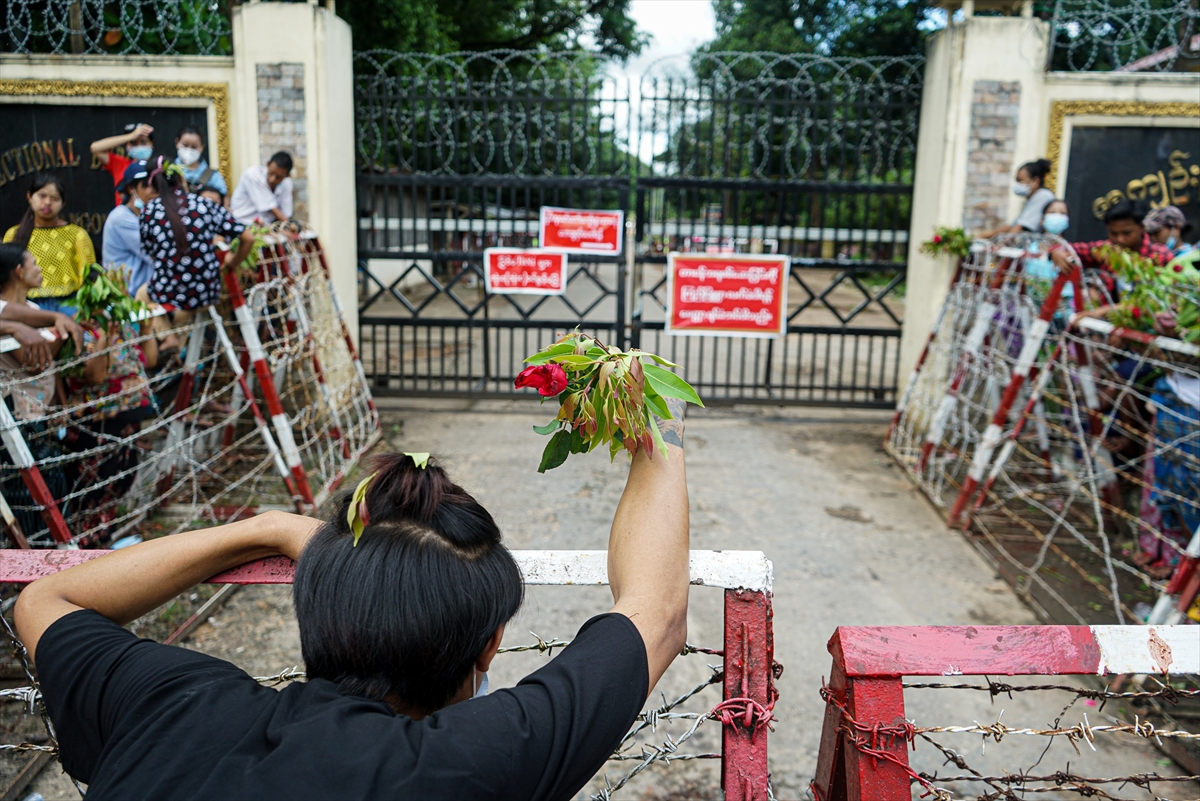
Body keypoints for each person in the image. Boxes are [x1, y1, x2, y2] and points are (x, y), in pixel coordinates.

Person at [14, 398, 692, 799]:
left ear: (314, 606)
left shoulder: (173, 703)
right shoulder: (456, 766)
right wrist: (657, 427)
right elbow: (654, 610)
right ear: (490, 646)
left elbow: (46, 598)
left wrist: (267, 527)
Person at [134, 158, 254, 348]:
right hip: (206, 291)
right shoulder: (204, 204)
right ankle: (177, 344)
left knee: (142, 295)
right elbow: (248, 238)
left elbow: (153, 255)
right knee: (186, 306)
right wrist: (231, 263)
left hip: (170, 290)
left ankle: (168, 338)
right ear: (181, 179)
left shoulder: (149, 211)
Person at [3, 174, 96, 316]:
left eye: (54, 199)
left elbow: (89, 277)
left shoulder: (77, 234)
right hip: (26, 303)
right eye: (42, 196)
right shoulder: (14, 234)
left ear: (63, 203)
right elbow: (6, 275)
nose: (47, 202)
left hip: (70, 305)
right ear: (29, 197)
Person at [1051, 199, 1174, 296]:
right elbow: (1066, 248)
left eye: (1127, 233)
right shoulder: (1107, 250)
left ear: (1142, 228)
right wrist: (1056, 252)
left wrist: (1102, 311)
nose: (1120, 239)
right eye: (1113, 234)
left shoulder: (1160, 256)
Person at [101, 161, 155, 297]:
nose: (155, 191)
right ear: (131, 188)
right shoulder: (121, 218)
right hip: (128, 299)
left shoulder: (146, 215)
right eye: (148, 186)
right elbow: (155, 254)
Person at [980, 158, 1056, 238]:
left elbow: (1020, 226)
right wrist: (986, 235)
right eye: (1016, 180)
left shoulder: (1043, 196)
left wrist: (1002, 243)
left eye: (1021, 181)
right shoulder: (1030, 199)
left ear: (1035, 181)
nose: (1017, 185)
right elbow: (1012, 226)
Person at [90, 124, 155, 208]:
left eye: (143, 142)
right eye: (133, 143)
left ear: (152, 143)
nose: (139, 146)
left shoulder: (158, 166)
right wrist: (131, 136)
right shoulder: (119, 164)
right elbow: (95, 148)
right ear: (127, 146)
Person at [230, 151, 294, 224]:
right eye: (271, 173)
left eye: (278, 177)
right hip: (241, 223)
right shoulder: (252, 174)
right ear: (267, 164)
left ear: (287, 176)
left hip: (267, 227)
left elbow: (286, 214)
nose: (272, 179)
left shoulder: (287, 183)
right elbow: (271, 207)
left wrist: (289, 228)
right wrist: (289, 226)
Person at [175, 126, 228, 200]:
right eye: (185, 145)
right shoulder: (167, 169)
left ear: (202, 147)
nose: (189, 150)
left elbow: (224, 200)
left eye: (194, 147)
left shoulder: (211, 175)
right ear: (177, 142)